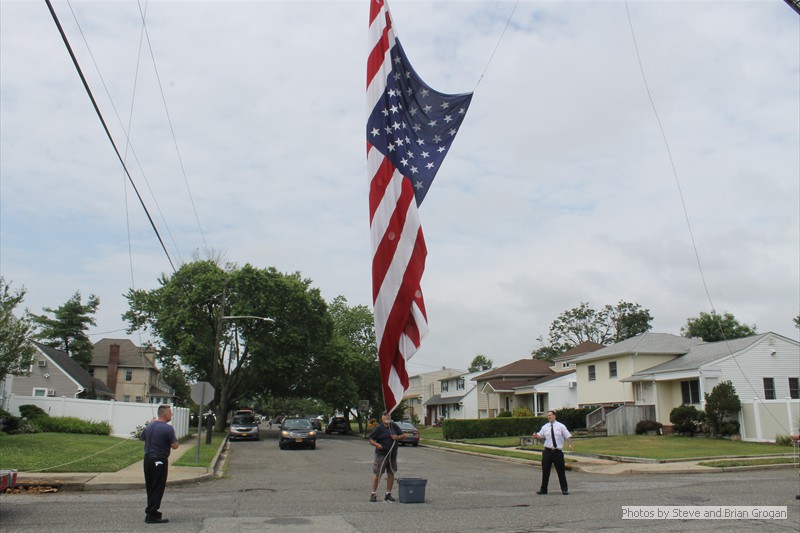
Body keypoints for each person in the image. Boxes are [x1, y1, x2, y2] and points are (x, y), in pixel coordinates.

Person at [140, 404, 179, 524]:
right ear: (165, 414)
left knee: (151, 486)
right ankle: (152, 514)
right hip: (160, 460)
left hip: (147, 459)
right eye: (170, 412)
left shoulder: (150, 425)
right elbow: (175, 446)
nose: (171, 414)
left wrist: (149, 425)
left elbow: (142, 437)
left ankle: (151, 510)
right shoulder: (168, 428)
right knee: (158, 487)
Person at [532, 410, 573, 496]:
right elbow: (540, 435)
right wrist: (536, 436)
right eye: (547, 416)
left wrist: (570, 444)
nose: (548, 417)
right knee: (545, 471)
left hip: (557, 452)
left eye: (550, 415)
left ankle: (564, 489)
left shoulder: (561, 426)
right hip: (547, 451)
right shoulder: (545, 427)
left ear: (554, 416)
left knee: (561, 471)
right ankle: (543, 489)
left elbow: (568, 436)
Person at [368, 411, 402, 502]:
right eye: (385, 415)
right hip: (381, 455)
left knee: (391, 473)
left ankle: (388, 494)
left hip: (392, 454)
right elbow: (371, 439)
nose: (387, 417)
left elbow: (403, 435)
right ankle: (373, 494)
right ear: (382, 417)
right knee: (377, 473)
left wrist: (397, 437)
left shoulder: (394, 426)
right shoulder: (379, 428)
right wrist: (376, 444)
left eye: (388, 415)